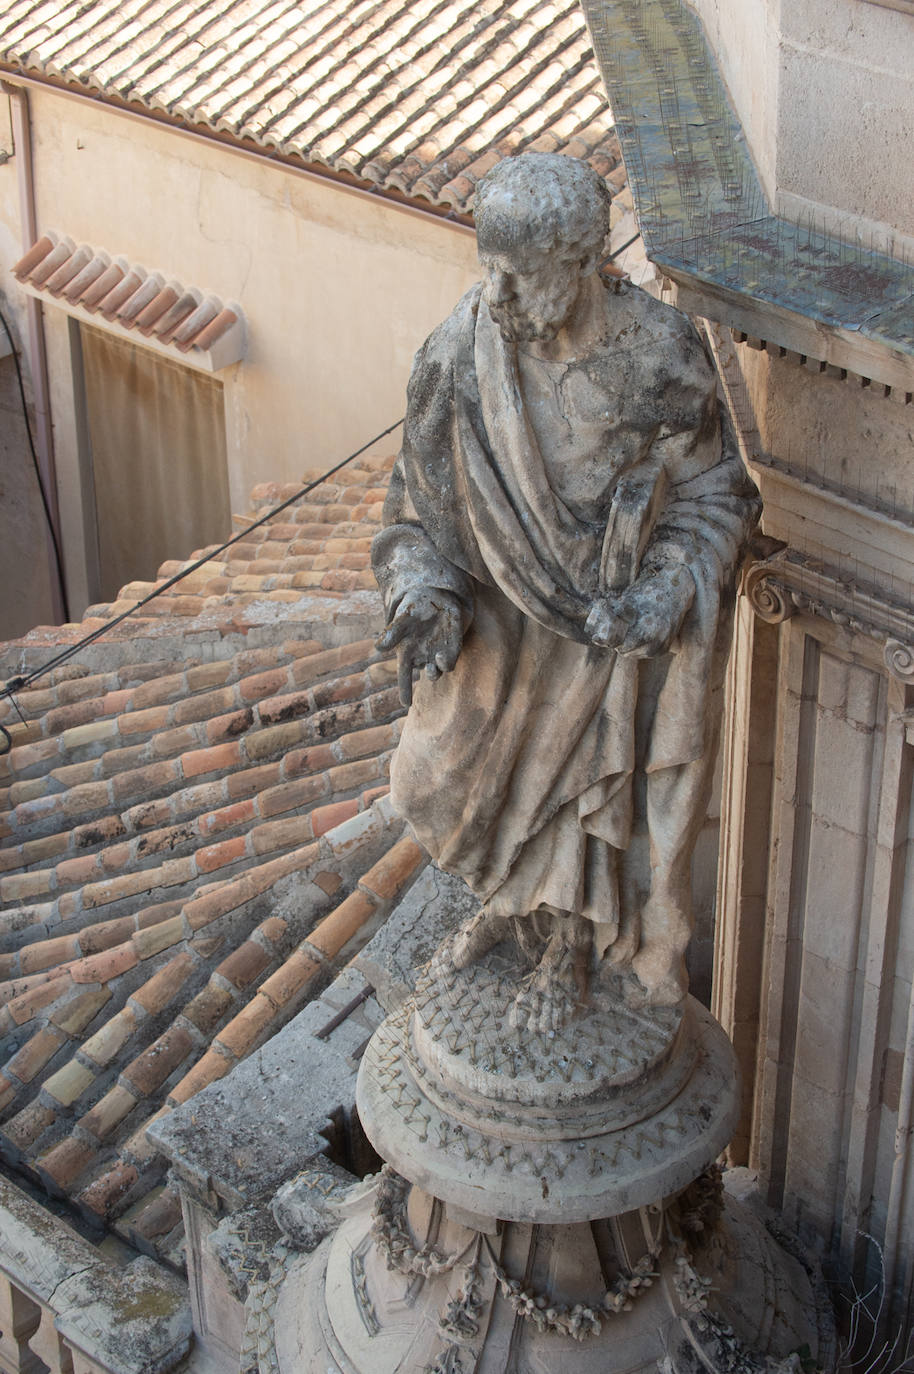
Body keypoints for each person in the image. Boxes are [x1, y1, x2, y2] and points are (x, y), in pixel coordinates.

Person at [372, 153, 760, 1032]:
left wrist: (665, 590)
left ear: (585, 261)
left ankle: (569, 946)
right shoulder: (459, 356)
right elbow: (411, 508)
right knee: (432, 779)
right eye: (489, 269)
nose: (497, 294)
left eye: (520, 274)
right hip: (495, 624)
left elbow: (716, 490)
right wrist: (423, 592)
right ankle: (510, 903)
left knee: (582, 789)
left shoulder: (659, 355)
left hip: (602, 632)